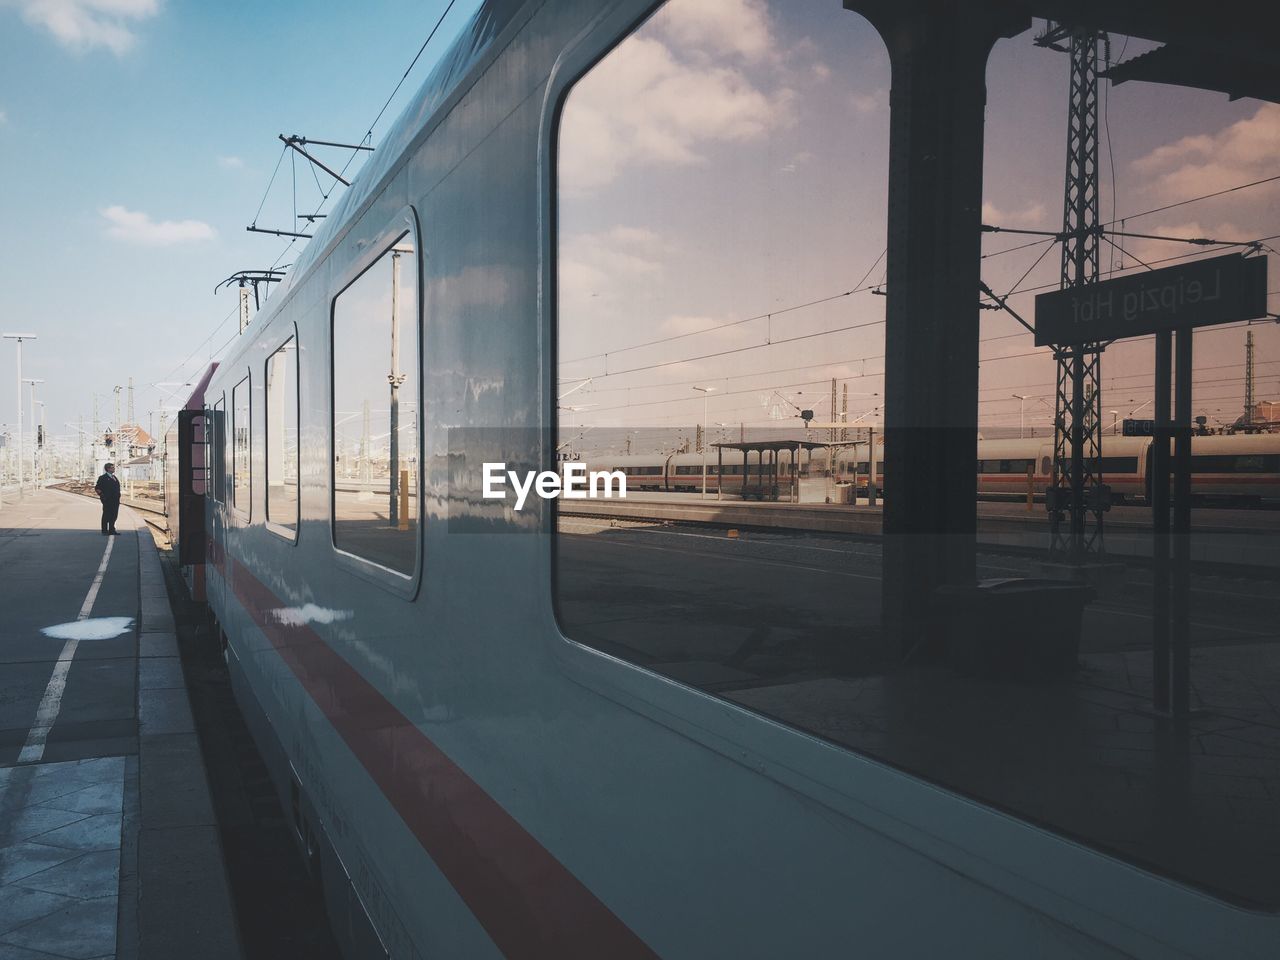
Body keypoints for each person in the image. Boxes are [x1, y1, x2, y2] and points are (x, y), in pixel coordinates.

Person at [95, 463, 121, 535]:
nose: (114, 469)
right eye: (112, 467)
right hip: (107, 500)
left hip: (115, 500)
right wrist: (102, 496)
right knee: (106, 515)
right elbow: (97, 488)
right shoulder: (102, 478)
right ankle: (104, 530)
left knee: (114, 515)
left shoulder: (114, 477)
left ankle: (112, 530)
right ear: (108, 469)